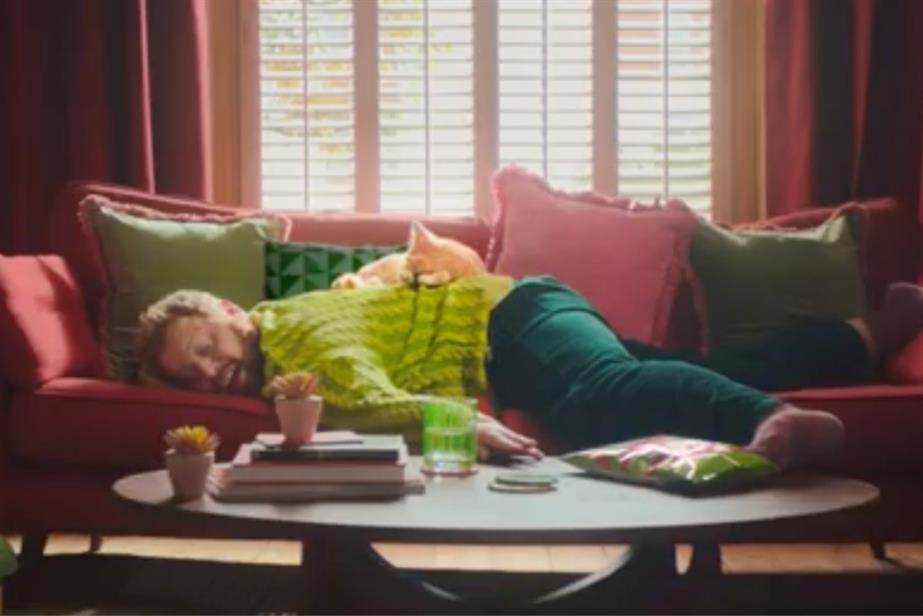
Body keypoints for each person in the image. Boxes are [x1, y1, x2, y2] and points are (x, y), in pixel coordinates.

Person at [136, 274, 923, 470]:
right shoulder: (276, 357)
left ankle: (768, 418)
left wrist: (469, 424)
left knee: (598, 401)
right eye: (190, 375)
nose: (210, 372)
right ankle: (869, 328)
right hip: (510, 341)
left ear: (236, 314)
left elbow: (367, 398)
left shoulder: (297, 330)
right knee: (695, 370)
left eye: (206, 345)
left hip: (512, 316)